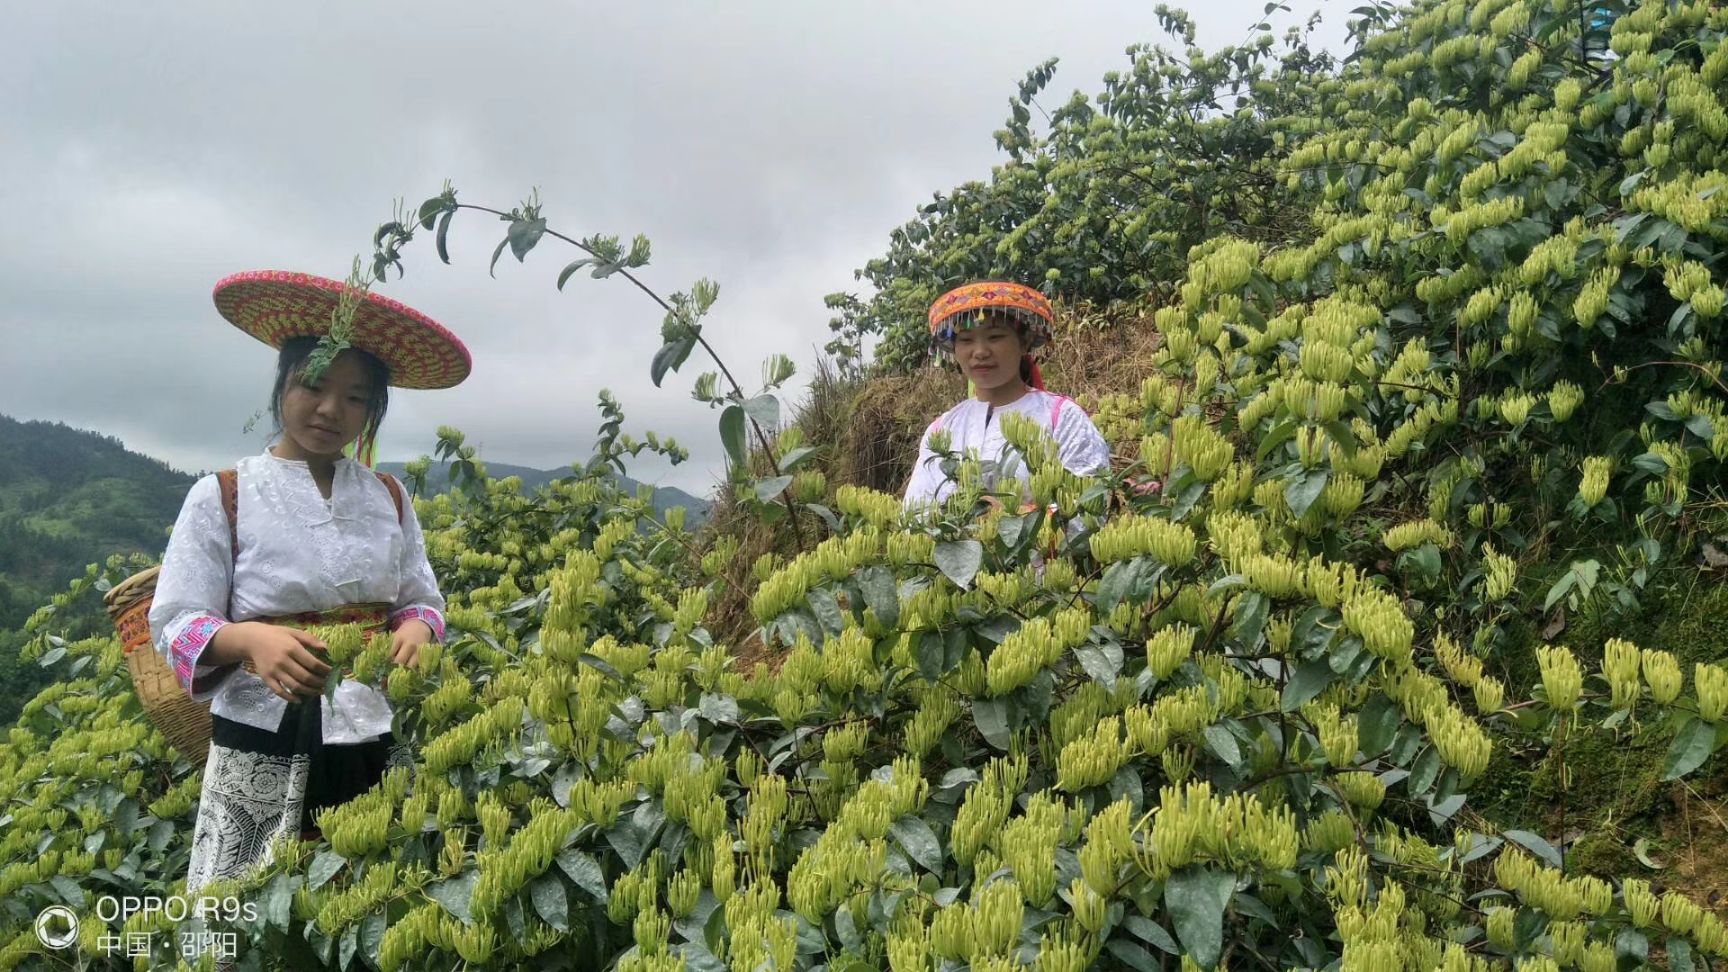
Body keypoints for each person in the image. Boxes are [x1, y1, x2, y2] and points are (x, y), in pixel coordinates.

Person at [148, 269, 471, 894]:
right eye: (314, 385)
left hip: (374, 731)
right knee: (244, 908)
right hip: (262, 734)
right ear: (282, 385)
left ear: (374, 409)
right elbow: (176, 621)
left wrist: (417, 629)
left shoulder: (388, 496)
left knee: (369, 900)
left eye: (355, 397)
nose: (330, 410)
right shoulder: (224, 495)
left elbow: (423, 600)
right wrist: (248, 642)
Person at [903, 281, 1112, 509]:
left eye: (995, 337)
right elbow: (914, 515)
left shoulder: (1062, 417)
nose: (980, 352)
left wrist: (1008, 516)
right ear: (955, 349)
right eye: (965, 340)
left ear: (1025, 342)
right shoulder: (942, 430)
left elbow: (1092, 506)